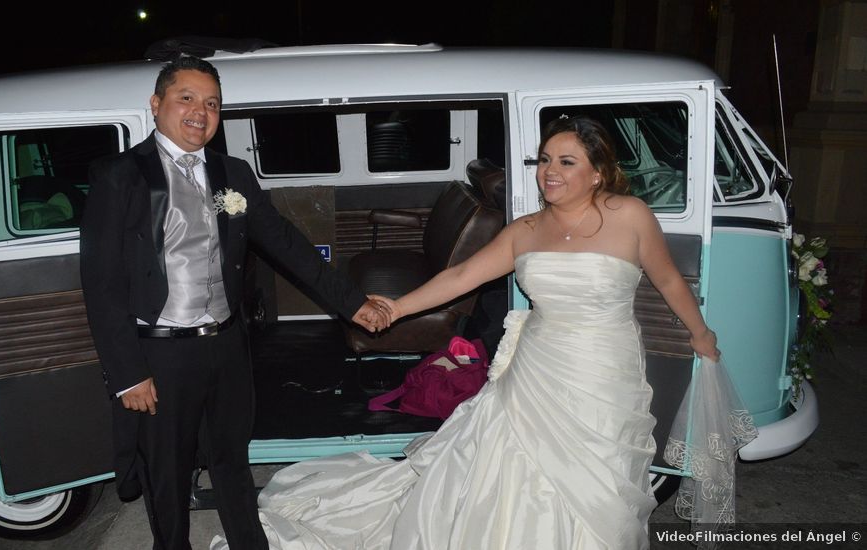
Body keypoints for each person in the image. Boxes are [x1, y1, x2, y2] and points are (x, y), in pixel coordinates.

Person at [217, 114, 721, 550]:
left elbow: (669, 278)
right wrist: (393, 309)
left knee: (600, 471)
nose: (550, 172)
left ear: (597, 172)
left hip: (606, 367)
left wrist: (699, 331)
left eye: (566, 162)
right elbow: (460, 277)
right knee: (511, 465)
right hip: (540, 366)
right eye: (544, 160)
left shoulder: (630, 216)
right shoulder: (525, 229)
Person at [80, 55, 388, 550]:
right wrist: (127, 373)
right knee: (168, 469)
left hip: (225, 343)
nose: (200, 112)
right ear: (156, 104)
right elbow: (101, 282)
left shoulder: (234, 174)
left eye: (212, 103)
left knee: (230, 456)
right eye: (187, 98)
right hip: (160, 351)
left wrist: (349, 302)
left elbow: (286, 242)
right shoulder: (120, 176)